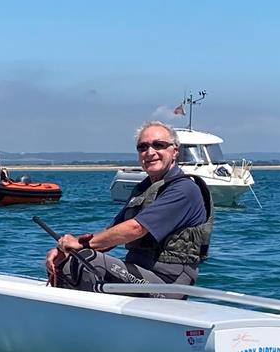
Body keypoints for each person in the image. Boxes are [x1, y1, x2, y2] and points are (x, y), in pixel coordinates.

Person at [45, 121, 213, 299]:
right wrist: (66, 248)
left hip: (168, 284)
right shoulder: (144, 189)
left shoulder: (184, 190)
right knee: (67, 259)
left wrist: (81, 246)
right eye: (143, 147)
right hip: (140, 273)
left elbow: (135, 228)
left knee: (86, 259)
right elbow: (109, 236)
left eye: (158, 145)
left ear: (175, 151)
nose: (150, 152)